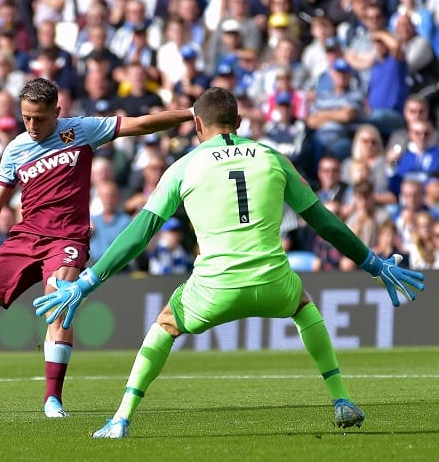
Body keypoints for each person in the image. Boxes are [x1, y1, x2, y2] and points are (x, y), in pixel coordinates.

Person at [32, 87, 425, 438]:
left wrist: (88, 281)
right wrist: (373, 263)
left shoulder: (183, 166)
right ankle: (340, 398)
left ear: (196, 123)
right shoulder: (273, 156)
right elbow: (323, 221)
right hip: (274, 283)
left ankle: (121, 417)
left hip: (213, 290)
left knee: (166, 324)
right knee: (304, 306)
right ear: (239, 121)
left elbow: (140, 233)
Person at [0, 77, 195, 418]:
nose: (32, 125)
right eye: (26, 117)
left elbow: (142, 124)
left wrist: (192, 112)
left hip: (67, 240)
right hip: (24, 239)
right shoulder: (15, 149)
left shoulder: (82, 131)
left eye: (39, 118)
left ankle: (52, 399)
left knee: (59, 297)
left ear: (57, 111)